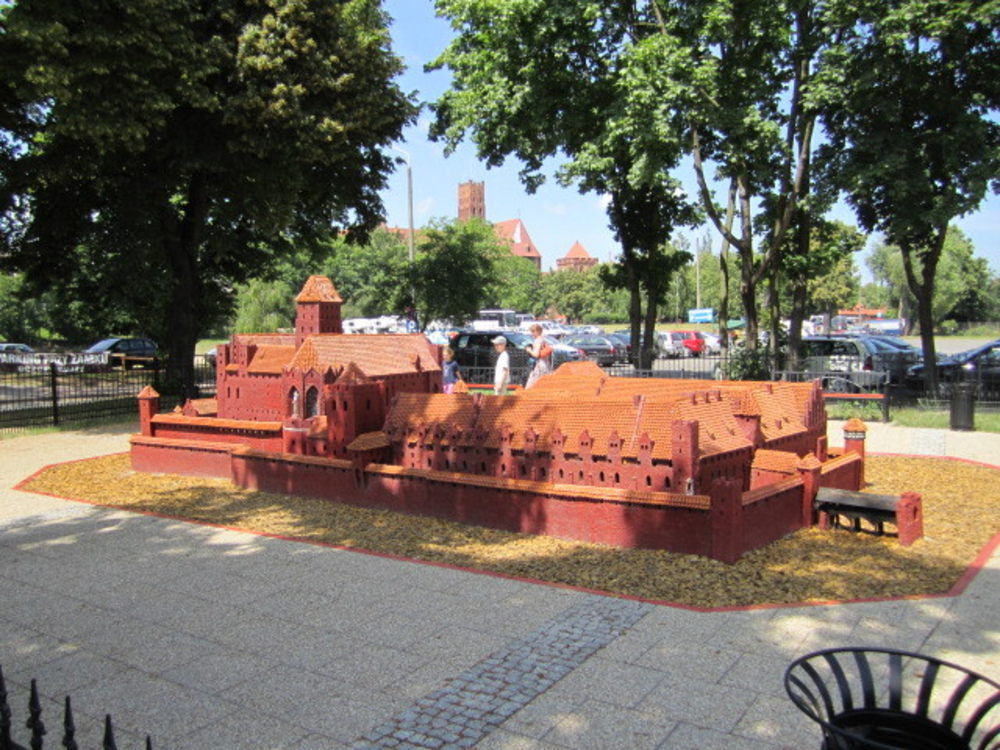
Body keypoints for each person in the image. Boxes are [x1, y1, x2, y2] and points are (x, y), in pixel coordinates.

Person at [525, 323, 552, 389]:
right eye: (531, 331)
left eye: (533, 331)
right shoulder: (543, 339)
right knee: (544, 387)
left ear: (538, 331)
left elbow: (536, 354)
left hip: (540, 366)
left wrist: (529, 350)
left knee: (529, 387)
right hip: (546, 365)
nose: (532, 333)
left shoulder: (538, 341)